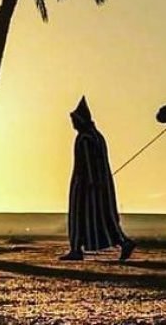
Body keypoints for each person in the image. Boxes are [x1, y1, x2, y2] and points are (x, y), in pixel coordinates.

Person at [60, 96, 136, 261]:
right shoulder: (97, 136)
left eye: (74, 121)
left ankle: (76, 250)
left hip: (86, 186)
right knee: (105, 217)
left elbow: (88, 162)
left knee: (81, 217)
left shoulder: (85, 138)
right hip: (101, 184)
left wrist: (92, 182)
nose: (73, 124)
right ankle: (123, 242)